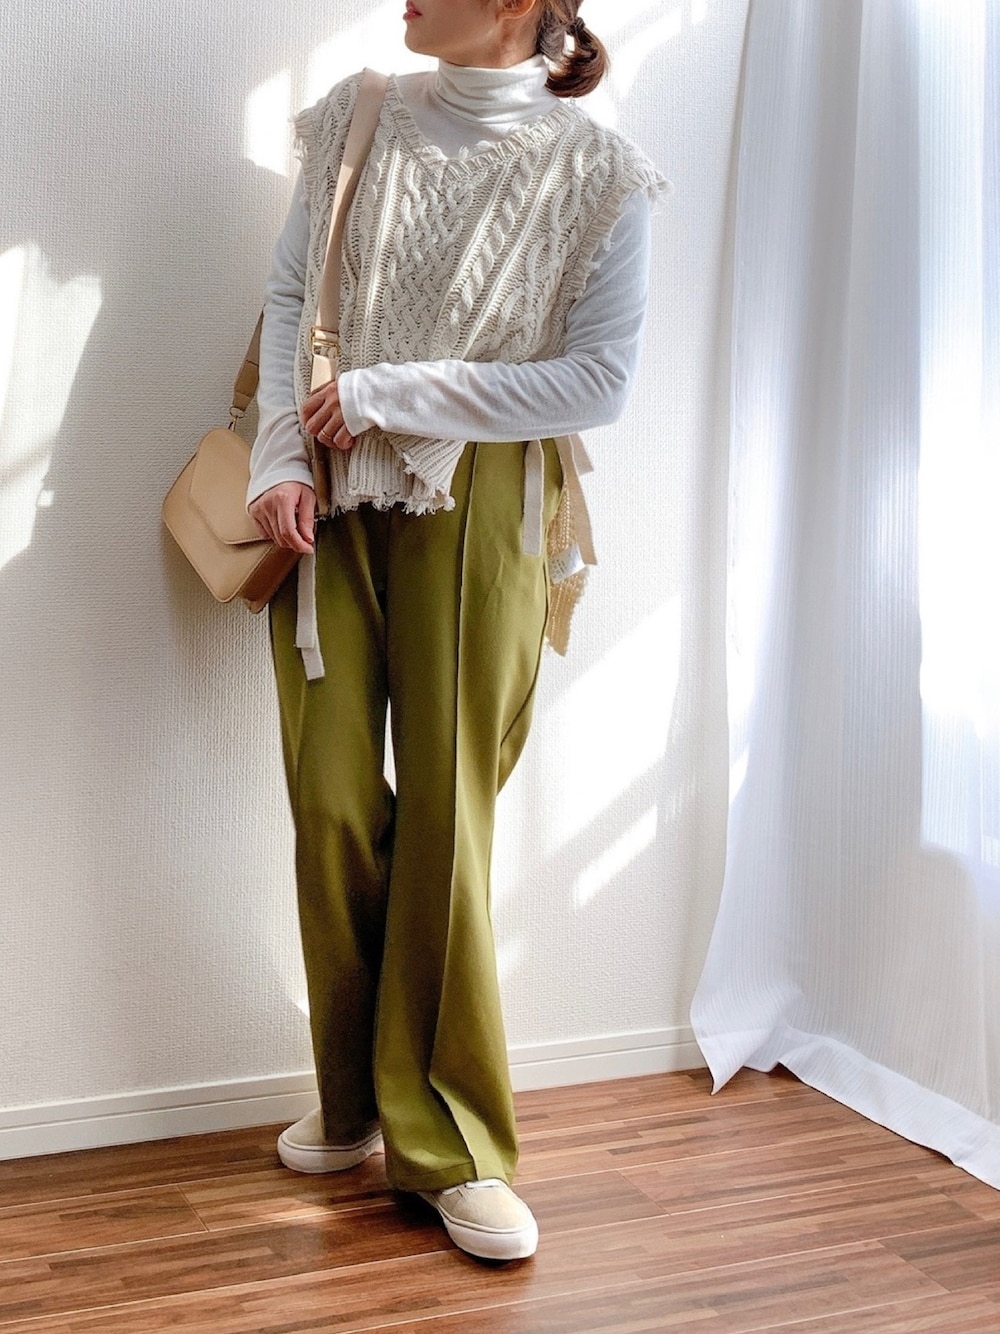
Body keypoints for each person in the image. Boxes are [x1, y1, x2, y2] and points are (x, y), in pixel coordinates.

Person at [247, 0, 666, 1263]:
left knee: (445, 815)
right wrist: (281, 454)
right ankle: (358, 1096)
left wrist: (391, 390)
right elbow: (290, 295)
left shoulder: (599, 172)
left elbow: (597, 381)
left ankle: (455, 1142)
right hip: (330, 488)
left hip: (482, 498)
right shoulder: (357, 114)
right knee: (330, 798)